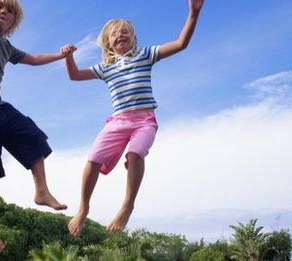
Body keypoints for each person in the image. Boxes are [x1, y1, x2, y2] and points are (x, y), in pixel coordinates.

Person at [63, 0, 205, 236]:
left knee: (135, 153)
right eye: (115, 34)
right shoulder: (106, 68)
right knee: (92, 160)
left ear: (133, 38)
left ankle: (127, 205)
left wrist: (193, 13)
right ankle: (83, 207)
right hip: (117, 122)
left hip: (144, 121)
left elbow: (181, 44)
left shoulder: (145, 55)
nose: (120, 35)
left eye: (125, 31)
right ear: (108, 44)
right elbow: (75, 75)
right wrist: (68, 57)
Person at [0, 0, 70, 251]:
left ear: (13, 22)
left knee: (32, 136)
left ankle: (41, 191)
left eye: (10, 11)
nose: (4, 12)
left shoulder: (6, 47)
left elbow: (35, 58)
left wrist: (60, 56)